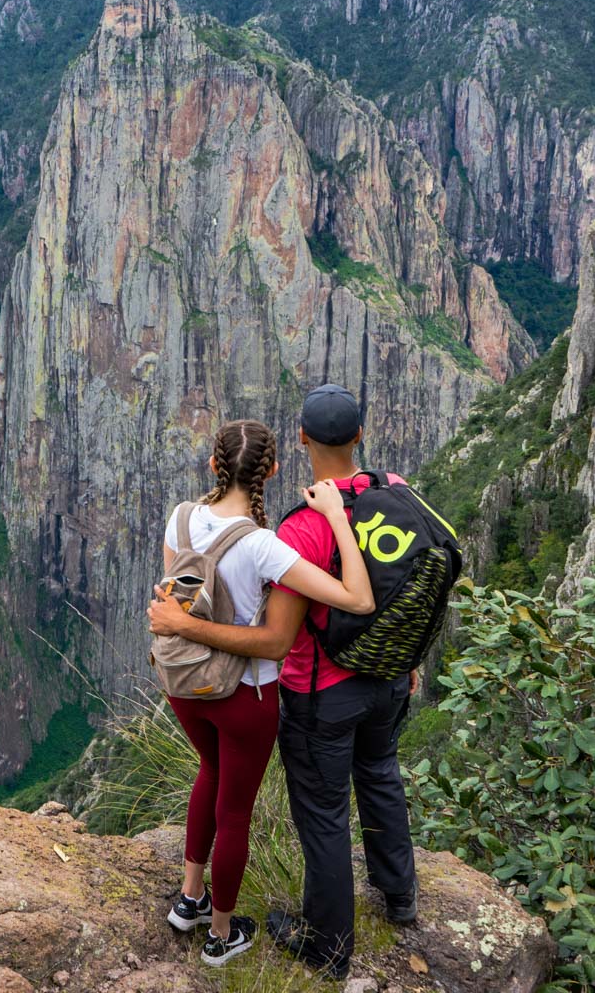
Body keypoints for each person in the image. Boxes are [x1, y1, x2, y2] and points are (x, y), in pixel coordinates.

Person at [146, 418, 375, 968]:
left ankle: (190, 898)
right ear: (272, 471)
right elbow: (358, 598)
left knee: (210, 771)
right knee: (236, 812)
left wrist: (187, 630)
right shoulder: (265, 547)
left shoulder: (179, 520)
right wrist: (337, 518)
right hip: (243, 697)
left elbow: (179, 608)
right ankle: (222, 937)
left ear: (213, 466)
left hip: (184, 685)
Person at [265, 384, 422, 979]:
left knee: (325, 814)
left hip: (320, 695)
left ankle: (328, 947)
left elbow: (281, 633)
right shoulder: (396, 491)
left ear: (301, 438)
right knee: (380, 773)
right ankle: (399, 894)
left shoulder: (303, 529)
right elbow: (412, 583)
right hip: (386, 680)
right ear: (360, 435)